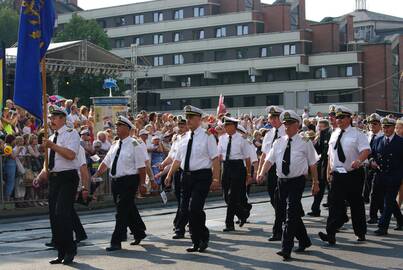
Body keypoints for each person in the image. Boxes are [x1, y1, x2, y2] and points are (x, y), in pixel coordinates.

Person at [258, 110, 319, 261]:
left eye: (290, 124)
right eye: (285, 124)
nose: (287, 127)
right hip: (282, 182)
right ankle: (304, 240)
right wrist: (262, 173)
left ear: (297, 125)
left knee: (290, 214)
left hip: (296, 181)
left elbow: (313, 164)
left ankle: (286, 248)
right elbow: (269, 160)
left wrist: (315, 183)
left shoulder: (305, 142)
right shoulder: (279, 142)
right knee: (288, 213)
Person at [165, 105, 220, 253]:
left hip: (202, 176)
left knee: (194, 208)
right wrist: (169, 175)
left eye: (191, 117)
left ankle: (202, 237)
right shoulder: (183, 138)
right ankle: (196, 241)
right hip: (185, 176)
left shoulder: (207, 136)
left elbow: (215, 159)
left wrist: (215, 179)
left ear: (199, 119)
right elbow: (177, 160)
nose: (188, 120)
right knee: (187, 211)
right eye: (187, 117)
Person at [92, 116, 147, 251]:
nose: (116, 128)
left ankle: (116, 241)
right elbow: (106, 162)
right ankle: (139, 232)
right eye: (116, 126)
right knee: (128, 209)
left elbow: (141, 166)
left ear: (127, 129)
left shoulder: (135, 144)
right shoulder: (115, 144)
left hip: (129, 181)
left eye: (119, 126)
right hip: (116, 182)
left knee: (121, 212)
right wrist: (97, 174)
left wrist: (143, 184)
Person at [34, 105, 81, 265]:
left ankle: (70, 249)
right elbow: (49, 164)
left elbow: (70, 155)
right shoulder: (52, 137)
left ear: (62, 118)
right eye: (50, 118)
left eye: (54, 118)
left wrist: (52, 146)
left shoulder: (71, 133)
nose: (51, 121)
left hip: (68, 178)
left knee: (62, 212)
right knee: (54, 216)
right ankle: (61, 251)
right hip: (54, 178)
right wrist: (40, 176)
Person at [318, 105, 370, 245]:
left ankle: (360, 232)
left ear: (349, 118)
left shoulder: (358, 134)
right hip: (337, 175)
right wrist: (329, 170)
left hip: (353, 174)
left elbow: (366, 150)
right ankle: (331, 233)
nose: (338, 120)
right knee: (334, 204)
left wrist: (359, 160)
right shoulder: (334, 133)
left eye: (341, 117)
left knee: (356, 204)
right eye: (337, 117)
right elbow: (331, 155)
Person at [370, 116, 403, 235]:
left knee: (388, 202)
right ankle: (401, 220)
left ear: (394, 128)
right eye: (384, 127)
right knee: (389, 201)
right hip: (380, 175)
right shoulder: (378, 140)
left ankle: (383, 227)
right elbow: (371, 154)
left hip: (395, 176)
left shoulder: (400, 142)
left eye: (388, 127)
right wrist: (371, 161)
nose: (385, 129)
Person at [257, 106, 285, 241]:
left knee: (279, 200)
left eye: (275, 117)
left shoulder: (288, 131)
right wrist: (260, 171)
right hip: (271, 169)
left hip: (284, 169)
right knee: (273, 199)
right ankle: (286, 220)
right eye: (270, 117)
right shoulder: (268, 134)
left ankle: (278, 230)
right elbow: (264, 155)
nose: (272, 120)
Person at [218, 117, 251, 232]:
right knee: (226, 196)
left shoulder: (242, 139)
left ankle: (229, 223)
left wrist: (248, 174)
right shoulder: (222, 138)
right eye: (225, 125)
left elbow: (247, 158)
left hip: (238, 167)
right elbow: (218, 156)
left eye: (228, 125)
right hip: (226, 167)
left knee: (232, 197)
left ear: (234, 126)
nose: (225, 127)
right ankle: (243, 213)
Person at [308, 118, 332, 217]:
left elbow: (326, 152)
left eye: (319, 126)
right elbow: (316, 150)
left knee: (331, 189)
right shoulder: (320, 135)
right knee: (320, 188)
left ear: (323, 126)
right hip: (321, 165)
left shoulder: (328, 134)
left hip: (328, 165)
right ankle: (315, 209)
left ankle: (337, 213)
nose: (317, 128)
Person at [365, 113, 384, 224]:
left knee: (375, 192)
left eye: (375, 124)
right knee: (373, 191)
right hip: (367, 166)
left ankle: (374, 216)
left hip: (379, 167)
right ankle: (383, 211)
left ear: (380, 125)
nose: (372, 126)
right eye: (370, 124)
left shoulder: (382, 136)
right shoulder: (367, 135)